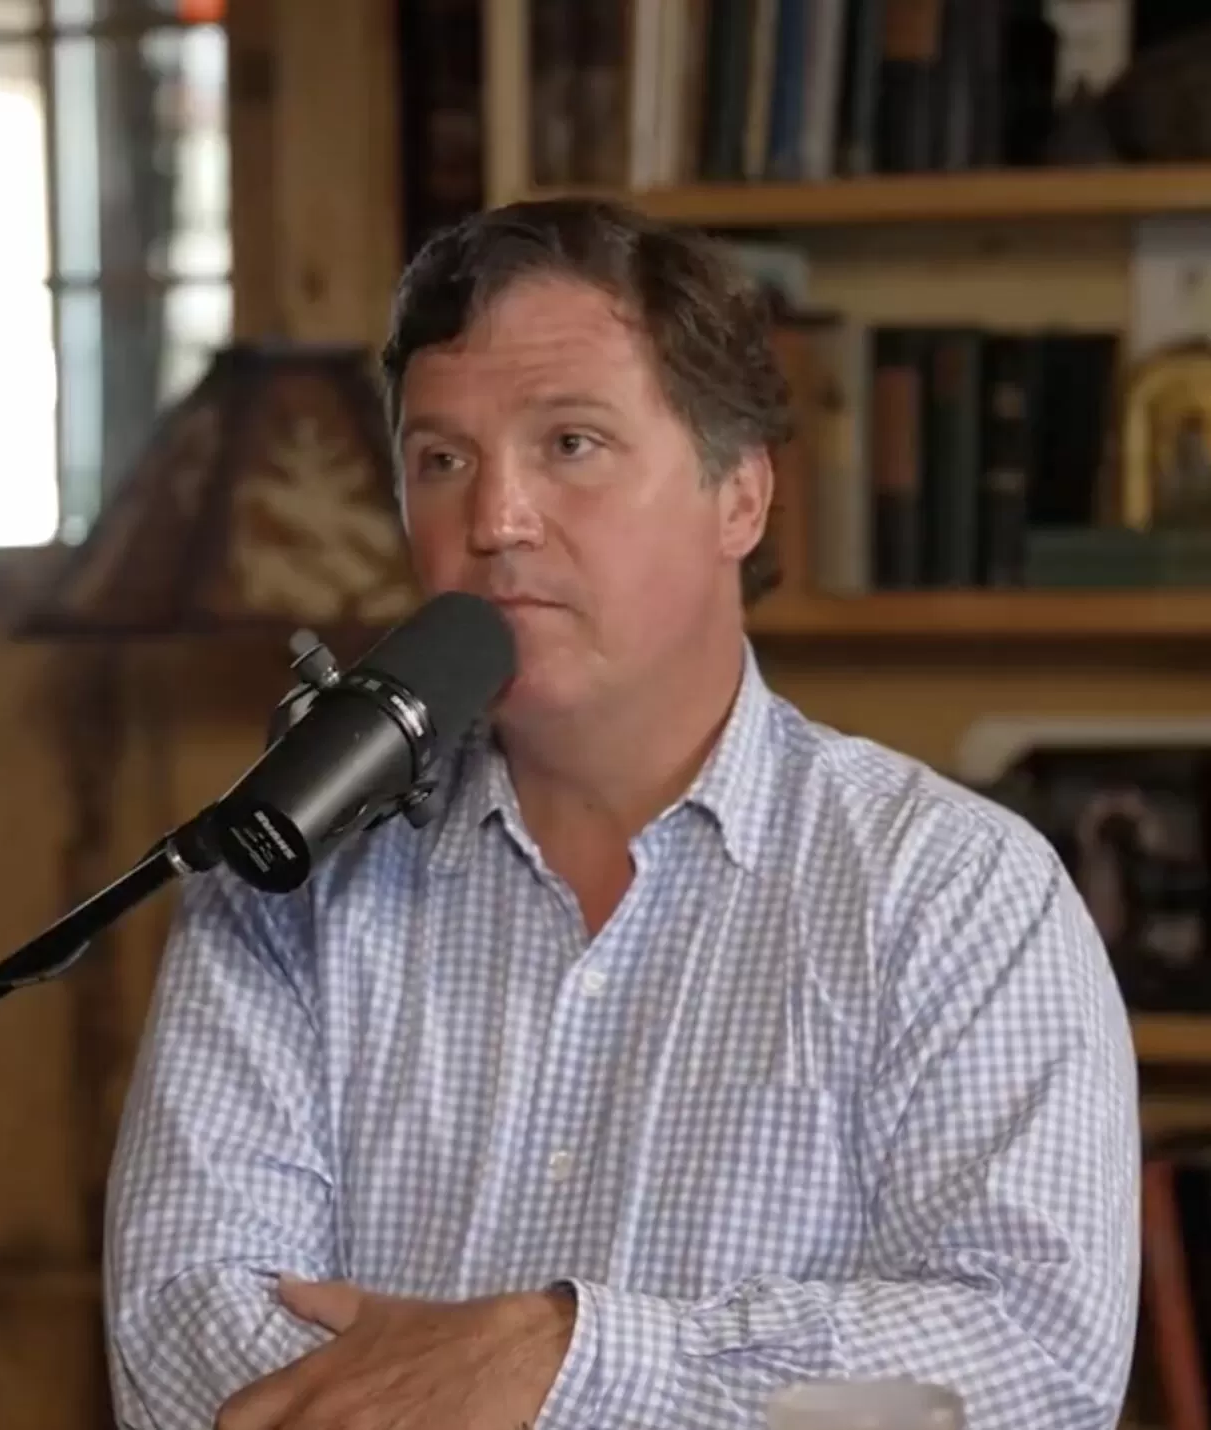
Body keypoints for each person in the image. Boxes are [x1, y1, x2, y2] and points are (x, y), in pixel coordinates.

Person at [102, 196, 1141, 1430]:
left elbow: (1029, 1363)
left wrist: (560, 1359)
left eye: (571, 443)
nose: (495, 520)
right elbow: (177, 1327)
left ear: (739, 497)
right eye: (441, 460)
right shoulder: (288, 871)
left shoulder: (958, 890)